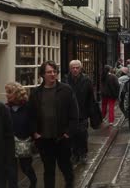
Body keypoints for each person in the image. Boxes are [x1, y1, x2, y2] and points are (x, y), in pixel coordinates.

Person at [28, 60, 78, 188]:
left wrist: (68, 133)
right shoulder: (36, 93)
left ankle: (69, 183)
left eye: (54, 72)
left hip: (62, 138)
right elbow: (31, 115)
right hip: (44, 139)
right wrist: (35, 133)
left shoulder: (66, 90)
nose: (52, 74)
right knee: (48, 170)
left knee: (65, 166)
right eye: (49, 72)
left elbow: (74, 114)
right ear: (42, 75)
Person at [63, 59, 96, 165]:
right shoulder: (65, 80)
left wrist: (91, 113)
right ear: (70, 69)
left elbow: (91, 98)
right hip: (69, 114)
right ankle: (75, 154)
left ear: (80, 69)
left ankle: (83, 153)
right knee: (72, 135)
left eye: (77, 68)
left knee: (82, 134)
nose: (75, 70)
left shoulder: (86, 80)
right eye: (73, 68)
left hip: (82, 113)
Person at [5, 82, 37, 188]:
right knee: (11, 170)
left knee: (25, 167)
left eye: (9, 92)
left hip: (25, 141)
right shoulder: (5, 108)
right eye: (6, 92)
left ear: (17, 94)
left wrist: (33, 137)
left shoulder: (28, 107)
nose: (7, 95)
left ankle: (33, 181)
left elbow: (34, 122)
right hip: (9, 143)